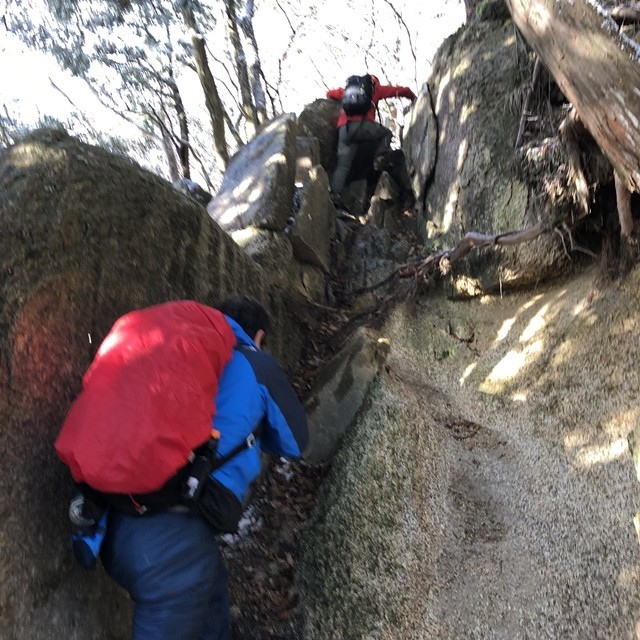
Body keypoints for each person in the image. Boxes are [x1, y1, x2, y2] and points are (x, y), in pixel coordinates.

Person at [77, 296, 308, 640]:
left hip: (110, 520)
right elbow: (297, 441)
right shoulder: (256, 363)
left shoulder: (179, 351)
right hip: (169, 544)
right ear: (258, 336)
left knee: (212, 596)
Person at [326, 73, 417, 197]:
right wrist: (412, 96)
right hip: (363, 127)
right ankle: (378, 159)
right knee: (387, 133)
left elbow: (330, 93)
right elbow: (398, 91)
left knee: (343, 166)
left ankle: (333, 196)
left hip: (344, 129)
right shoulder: (375, 89)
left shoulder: (347, 90)